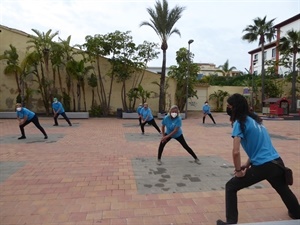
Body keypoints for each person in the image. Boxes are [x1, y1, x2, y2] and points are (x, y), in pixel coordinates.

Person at [216, 93, 300, 225]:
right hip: (277, 162)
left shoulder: (239, 123)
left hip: (264, 166)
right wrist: (247, 163)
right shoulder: (255, 120)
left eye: (229, 106)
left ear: (235, 107)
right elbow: (259, 145)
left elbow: (236, 151)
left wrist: (238, 171)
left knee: (231, 186)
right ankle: (296, 213)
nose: (228, 109)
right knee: (283, 189)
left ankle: (231, 222)